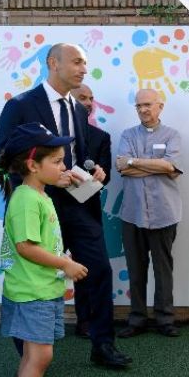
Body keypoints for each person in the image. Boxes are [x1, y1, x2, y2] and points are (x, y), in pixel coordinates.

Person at [0, 43, 131, 369]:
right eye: (77, 62)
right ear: (53, 63)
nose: (84, 68)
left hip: (80, 206)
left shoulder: (78, 110)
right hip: (38, 206)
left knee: (97, 270)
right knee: (35, 276)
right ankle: (27, 357)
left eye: (85, 63)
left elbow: (79, 155)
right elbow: (2, 156)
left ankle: (102, 344)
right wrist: (41, 180)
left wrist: (94, 169)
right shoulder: (20, 106)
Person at [0, 123, 85, 377]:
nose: (63, 167)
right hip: (31, 292)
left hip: (43, 290)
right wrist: (64, 264)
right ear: (33, 165)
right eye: (57, 161)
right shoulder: (25, 199)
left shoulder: (38, 196)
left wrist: (61, 257)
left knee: (35, 357)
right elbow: (25, 247)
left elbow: (40, 243)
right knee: (40, 356)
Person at [115, 89, 183, 338]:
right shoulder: (127, 134)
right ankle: (137, 319)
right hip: (132, 214)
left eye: (147, 104)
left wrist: (134, 162)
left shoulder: (172, 135)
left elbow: (170, 166)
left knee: (163, 269)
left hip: (164, 213)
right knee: (136, 268)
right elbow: (121, 166)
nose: (143, 109)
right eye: (138, 105)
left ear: (160, 107)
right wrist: (155, 167)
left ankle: (165, 319)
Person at [70, 84, 112, 339]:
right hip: (49, 210)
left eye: (90, 98)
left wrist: (75, 185)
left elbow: (103, 179)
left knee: (89, 268)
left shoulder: (101, 137)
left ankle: (87, 321)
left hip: (86, 212)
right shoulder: (50, 135)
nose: (88, 102)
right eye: (81, 98)